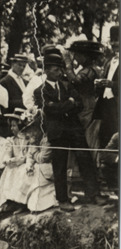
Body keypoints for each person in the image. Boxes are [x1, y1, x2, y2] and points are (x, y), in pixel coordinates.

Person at [40, 52, 103, 209]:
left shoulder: (67, 86)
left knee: (85, 159)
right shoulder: (41, 91)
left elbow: (79, 104)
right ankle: (63, 200)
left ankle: (93, 194)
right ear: (46, 70)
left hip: (74, 129)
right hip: (57, 132)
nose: (60, 73)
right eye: (55, 70)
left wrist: (65, 105)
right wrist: (69, 103)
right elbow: (52, 110)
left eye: (61, 69)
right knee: (59, 166)